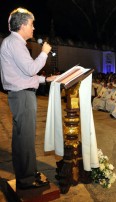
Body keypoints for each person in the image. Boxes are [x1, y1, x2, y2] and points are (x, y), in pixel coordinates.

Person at [0, 7, 56, 189]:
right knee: (25, 139)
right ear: (23, 25)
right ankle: (26, 180)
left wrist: (46, 79)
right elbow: (31, 69)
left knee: (22, 139)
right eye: (31, 24)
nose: (33, 28)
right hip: (23, 97)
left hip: (20, 94)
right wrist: (44, 52)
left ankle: (27, 175)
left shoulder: (13, 43)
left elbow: (24, 75)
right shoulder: (15, 43)